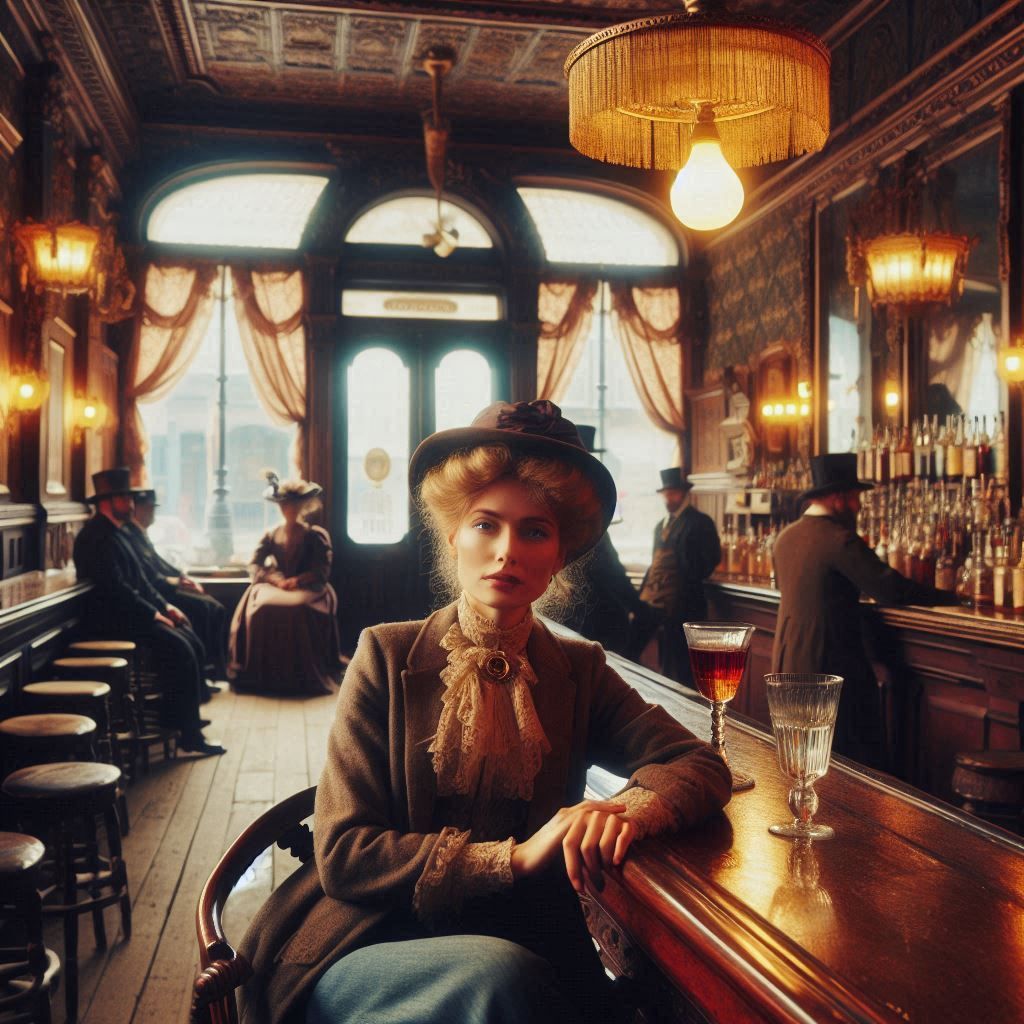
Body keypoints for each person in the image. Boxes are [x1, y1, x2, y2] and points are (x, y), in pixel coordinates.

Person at [235, 400, 731, 1024]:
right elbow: (344, 853)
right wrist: (515, 859)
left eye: (534, 531)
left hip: (530, 942)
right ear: (452, 535)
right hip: (372, 942)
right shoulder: (384, 655)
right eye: (485, 524)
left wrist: (625, 810)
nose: (507, 552)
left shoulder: (579, 670)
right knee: (504, 980)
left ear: (559, 556)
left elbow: (697, 762)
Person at [771, 453, 958, 769]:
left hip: (787, 659)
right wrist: (954, 598)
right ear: (839, 497)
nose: (859, 507)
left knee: (801, 757)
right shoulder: (838, 539)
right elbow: (890, 589)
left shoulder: (785, 537)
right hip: (828, 664)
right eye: (856, 498)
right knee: (850, 764)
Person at [72, 467, 225, 756]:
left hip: (131, 613)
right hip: (113, 621)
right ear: (108, 500)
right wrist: (154, 615)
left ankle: (180, 723)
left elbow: (141, 581)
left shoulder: (118, 533)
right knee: (179, 648)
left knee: (187, 637)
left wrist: (167, 607)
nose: (131, 504)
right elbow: (115, 590)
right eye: (125, 498)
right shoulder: (95, 537)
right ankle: (188, 734)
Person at [228, 478, 342, 695]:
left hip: (309, 587)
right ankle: (262, 675)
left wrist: (298, 580)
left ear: (302, 506)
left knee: (297, 609)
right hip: (277, 584)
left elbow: (322, 570)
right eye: (284, 505)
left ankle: (299, 675)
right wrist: (275, 579)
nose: (288, 509)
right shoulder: (271, 534)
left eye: (293, 505)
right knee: (261, 607)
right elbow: (255, 563)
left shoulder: (315, 535)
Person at [563, 426, 659, 655]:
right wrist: (639, 608)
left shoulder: (571, 507)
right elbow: (609, 569)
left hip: (568, 620)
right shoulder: (582, 513)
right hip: (591, 624)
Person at [122, 488, 229, 680]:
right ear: (136, 510)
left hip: (162, 589)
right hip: (160, 591)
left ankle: (216, 669)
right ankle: (206, 670)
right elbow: (148, 575)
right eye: (147, 509)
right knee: (203, 609)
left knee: (215, 608)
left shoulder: (141, 534)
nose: (151, 513)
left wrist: (181, 577)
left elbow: (160, 563)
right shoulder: (130, 535)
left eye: (152, 509)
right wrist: (176, 584)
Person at [632, 468, 722, 683]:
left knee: (682, 668)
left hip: (684, 604)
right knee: (632, 647)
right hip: (655, 600)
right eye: (665, 493)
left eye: (673, 493)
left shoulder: (700, 522)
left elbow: (710, 561)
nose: (668, 498)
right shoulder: (660, 526)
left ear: (683, 493)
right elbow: (655, 564)